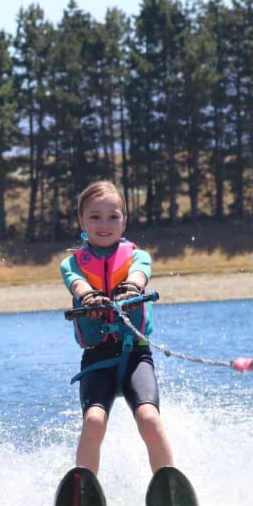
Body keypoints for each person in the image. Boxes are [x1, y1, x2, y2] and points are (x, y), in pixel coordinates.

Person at [59, 180, 175, 476]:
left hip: (136, 354)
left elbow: (140, 274)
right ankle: (83, 491)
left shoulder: (139, 256)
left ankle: (169, 485)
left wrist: (130, 288)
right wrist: (88, 296)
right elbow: (77, 282)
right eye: (95, 216)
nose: (104, 224)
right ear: (81, 221)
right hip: (98, 358)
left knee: (149, 419)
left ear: (124, 221)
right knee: (94, 422)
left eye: (113, 216)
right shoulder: (72, 264)